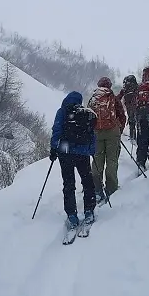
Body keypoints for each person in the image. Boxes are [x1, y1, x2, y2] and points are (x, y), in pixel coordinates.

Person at [50, 91, 98, 228]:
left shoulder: (62, 112)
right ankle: (89, 210)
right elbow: (92, 134)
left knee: (68, 183)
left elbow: (56, 131)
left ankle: (72, 215)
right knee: (87, 182)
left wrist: (54, 148)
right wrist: (91, 151)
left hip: (65, 153)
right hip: (82, 153)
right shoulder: (85, 113)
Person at [88, 77, 127, 202]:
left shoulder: (93, 99)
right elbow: (122, 116)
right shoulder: (113, 97)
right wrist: (119, 130)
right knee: (112, 161)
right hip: (112, 133)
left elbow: (88, 117)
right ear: (109, 86)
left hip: (97, 134)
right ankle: (111, 189)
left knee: (97, 162)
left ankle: (97, 190)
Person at [118, 75, 140, 140]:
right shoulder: (138, 88)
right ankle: (139, 138)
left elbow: (118, 98)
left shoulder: (125, 89)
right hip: (138, 108)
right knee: (139, 124)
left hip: (130, 108)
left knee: (132, 122)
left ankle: (132, 137)